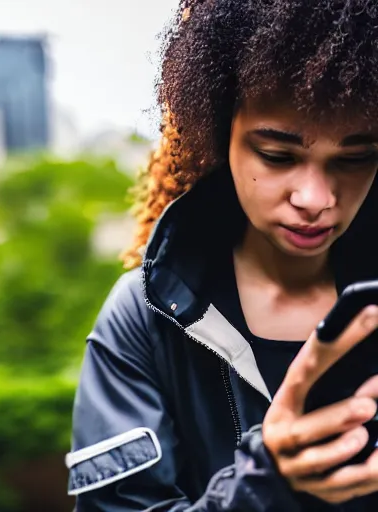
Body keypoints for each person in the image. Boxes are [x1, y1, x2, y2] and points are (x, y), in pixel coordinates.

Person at [66, 1, 378, 510]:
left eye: (356, 159)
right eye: (278, 156)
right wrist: (265, 483)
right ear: (218, 134)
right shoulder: (144, 317)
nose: (316, 199)